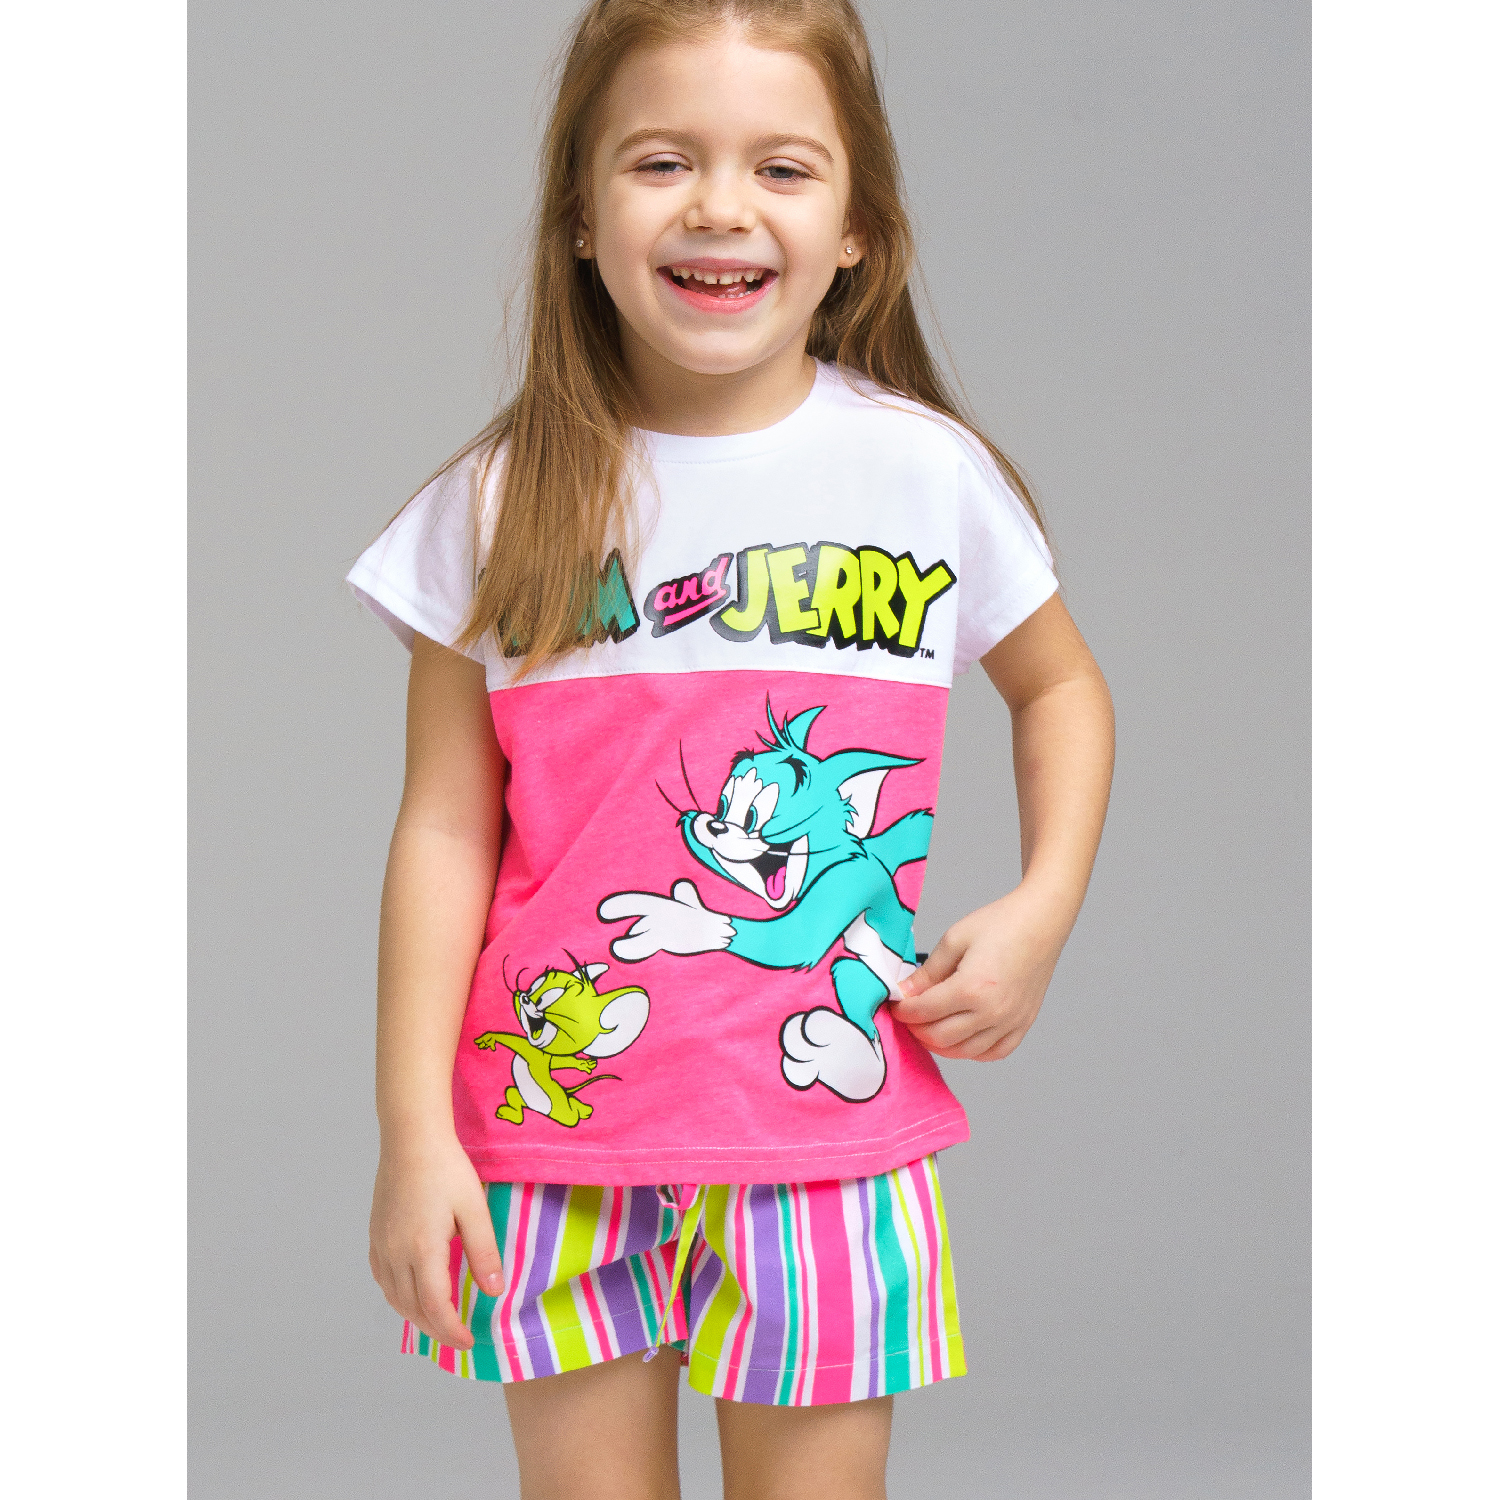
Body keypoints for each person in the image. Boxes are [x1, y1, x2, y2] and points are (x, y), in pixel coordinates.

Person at [346, 2, 1114, 1495]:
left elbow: (1063, 690)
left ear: (858, 228)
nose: (719, 207)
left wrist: (1043, 905)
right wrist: (411, 1132)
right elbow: (442, 829)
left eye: (782, 167)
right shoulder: (499, 504)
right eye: (661, 161)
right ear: (581, 215)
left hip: (826, 1136)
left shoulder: (922, 473)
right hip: (553, 1140)